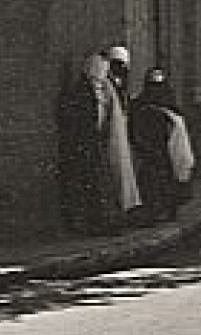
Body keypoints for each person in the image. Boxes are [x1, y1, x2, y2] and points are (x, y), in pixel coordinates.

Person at [57, 52, 141, 234]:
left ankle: (105, 220)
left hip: (100, 144)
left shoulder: (104, 90)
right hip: (88, 146)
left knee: (102, 184)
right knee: (94, 185)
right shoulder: (83, 93)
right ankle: (96, 222)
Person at [130, 67, 194, 223]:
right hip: (151, 147)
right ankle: (153, 211)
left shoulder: (169, 103)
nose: (155, 90)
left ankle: (169, 209)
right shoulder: (141, 104)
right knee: (152, 181)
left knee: (169, 179)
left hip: (166, 146)